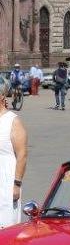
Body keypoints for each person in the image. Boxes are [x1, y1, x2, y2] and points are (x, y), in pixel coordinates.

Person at [0, 80, 27, 228]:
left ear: (2, 96)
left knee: (6, 226)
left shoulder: (13, 121)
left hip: (6, 181)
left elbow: (22, 154)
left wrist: (17, 184)